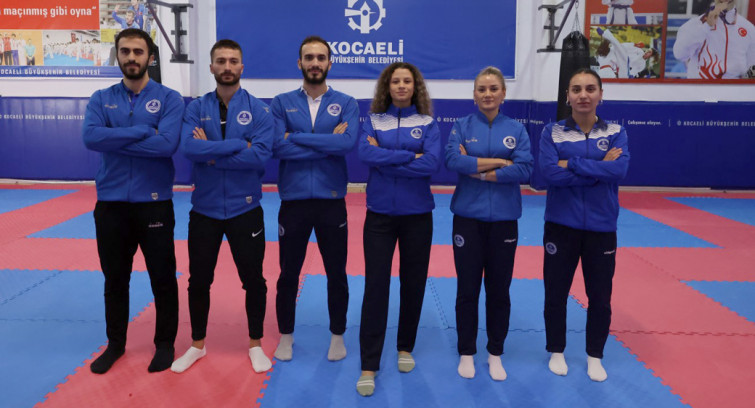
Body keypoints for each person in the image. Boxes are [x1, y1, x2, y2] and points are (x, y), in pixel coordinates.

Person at [82, 28, 183, 374]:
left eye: (138, 52)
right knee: (115, 279)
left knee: (162, 278)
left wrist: (114, 139)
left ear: (150, 57)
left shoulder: (169, 99)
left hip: (154, 202)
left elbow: (166, 145)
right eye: (125, 51)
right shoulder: (101, 97)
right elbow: (91, 138)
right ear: (118, 55)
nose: (131, 57)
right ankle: (115, 344)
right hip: (111, 204)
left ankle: (165, 344)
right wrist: (141, 132)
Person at [171, 39, 275, 374]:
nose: (227, 67)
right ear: (211, 67)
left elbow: (260, 156)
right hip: (205, 209)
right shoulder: (195, 108)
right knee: (198, 280)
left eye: (233, 61)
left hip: (246, 208)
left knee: (254, 280)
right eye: (221, 61)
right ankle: (197, 345)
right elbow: (189, 149)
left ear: (241, 67)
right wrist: (237, 146)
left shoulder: (259, 110)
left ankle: (255, 344)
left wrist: (212, 154)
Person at [271, 35, 359, 363]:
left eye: (321, 57)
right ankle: (286, 335)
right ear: (300, 63)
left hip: (331, 200)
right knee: (288, 274)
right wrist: (325, 142)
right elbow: (277, 147)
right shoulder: (281, 102)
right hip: (293, 200)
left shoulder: (346, 103)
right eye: (309, 57)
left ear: (329, 63)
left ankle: (337, 335)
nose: (315, 63)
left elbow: (345, 144)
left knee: (336, 272)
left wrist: (295, 137)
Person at [355, 62, 441, 397]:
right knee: (375, 287)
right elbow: (365, 153)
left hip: (417, 215)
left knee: (413, 283)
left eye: (407, 81)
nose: (401, 86)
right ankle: (369, 364)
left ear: (415, 86)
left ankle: (405, 346)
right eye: (396, 81)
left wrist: (385, 158)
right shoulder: (374, 120)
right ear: (387, 87)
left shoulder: (428, 123)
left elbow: (431, 163)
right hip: (379, 215)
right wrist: (409, 157)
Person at [539, 68, 629, 382]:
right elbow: (550, 174)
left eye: (590, 89)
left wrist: (573, 164)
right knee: (556, 293)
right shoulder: (552, 132)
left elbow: (619, 171)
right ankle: (556, 350)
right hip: (561, 225)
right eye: (576, 89)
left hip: (602, 228)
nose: (583, 95)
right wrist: (598, 168)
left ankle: (595, 355)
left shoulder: (616, 132)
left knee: (600, 297)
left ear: (600, 94)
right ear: (567, 96)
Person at [444, 66, 533, 382]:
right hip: (467, 218)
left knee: (499, 290)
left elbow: (525, 169)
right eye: (481, 89)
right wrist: (499, 162)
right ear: (474, 95)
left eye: (493, 88)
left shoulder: (517, 129)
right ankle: (467, 351)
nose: (487, 94)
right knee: (467, 289)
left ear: (503, 94)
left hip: (504, 221)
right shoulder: (462, 125)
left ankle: (495, 353)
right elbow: (453, 161)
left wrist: (478, 170)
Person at [673, 0, 755, 79]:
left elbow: (752, 69)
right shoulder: (695, 24)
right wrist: (706, 26)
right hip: (700, 87)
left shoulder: (749, 29)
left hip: (733, 88)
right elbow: (679, 54)